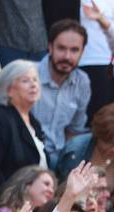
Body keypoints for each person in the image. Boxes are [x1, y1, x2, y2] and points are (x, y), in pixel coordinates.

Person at [0, 61, 50, 193]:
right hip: (10, 199)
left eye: (35, 80)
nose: (33, 85)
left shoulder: (34, 122)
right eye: (25, 81)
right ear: (8, 90)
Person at [33, 20, 91, 158]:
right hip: (29, 155)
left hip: (59, 155)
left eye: (74, 50)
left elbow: (75, 130)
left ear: (82, 52)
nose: (67, 56)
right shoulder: (29, 74)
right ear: (50, 47)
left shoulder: (82, 82)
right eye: (61, 48)